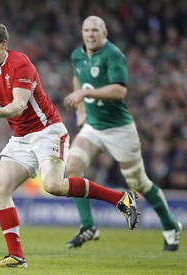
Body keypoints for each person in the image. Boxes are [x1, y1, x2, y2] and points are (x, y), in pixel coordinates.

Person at [0, 22, 140, 268]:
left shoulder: (20, 63)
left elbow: (19, 104)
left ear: (3, 45)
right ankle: (16, 256)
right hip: (21, 137)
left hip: (47, 131)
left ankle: (122, 199)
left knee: (53, 186)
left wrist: (0, 112)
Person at [64, 15, 183, 251]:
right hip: (94, 127)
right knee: (72, 168)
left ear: (105, 33)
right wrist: (80, 112)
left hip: (119, 129)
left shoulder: (113, 55)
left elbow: (119, 90)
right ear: (82, 33)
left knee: (138, 182)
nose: (90, 34)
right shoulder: (77, 55)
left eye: (95, 30)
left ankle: (171, 225)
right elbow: (77, 80)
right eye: (86, 30)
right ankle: (88, 225)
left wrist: (85, 96)